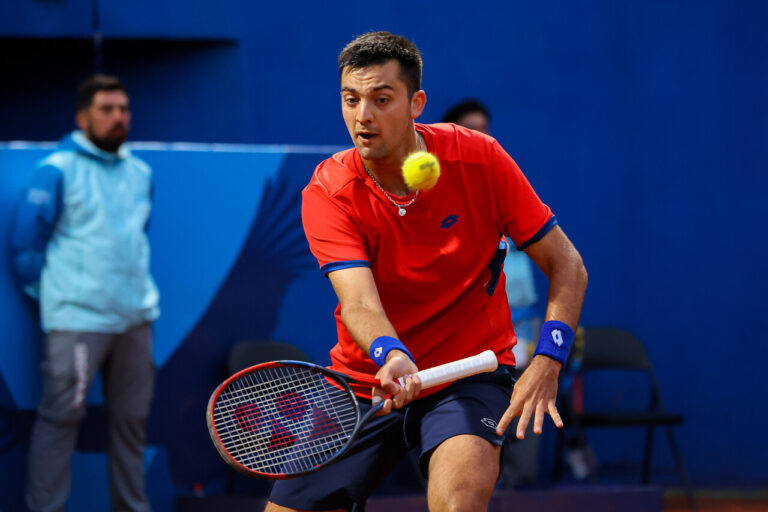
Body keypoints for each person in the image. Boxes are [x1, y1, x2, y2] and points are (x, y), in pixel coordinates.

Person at [266, 31, 587, 512]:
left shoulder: (479, 159)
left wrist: (548, 359)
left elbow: (567, 264)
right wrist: (391, 355)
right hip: (368, 381)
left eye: (381, 99)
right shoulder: (330, 191)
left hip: (468, 375)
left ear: (416, 103)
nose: (362, 116)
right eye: (350, 100)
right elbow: (358, 301)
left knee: (458, 503)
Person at [11, 75, 159, 512]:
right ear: (82, 118)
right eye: (106, 110)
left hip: (135, 320)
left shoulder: (141, 172)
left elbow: (136, 237)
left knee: (132, 423)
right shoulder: (57, 169)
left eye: (124, 109)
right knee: (60, 419)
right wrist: (58, 296)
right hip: (75, 322)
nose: (119, 118)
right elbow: (24, 246)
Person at [444, 98, 544, 486]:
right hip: (461, 337)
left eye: (485, 128)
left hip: (519, 325)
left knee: (521, 413)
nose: (480, 136)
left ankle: (518, 488)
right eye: (470, 128)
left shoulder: (499, 179)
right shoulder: (440, 191)